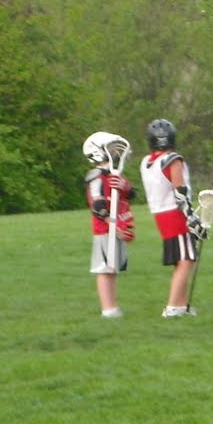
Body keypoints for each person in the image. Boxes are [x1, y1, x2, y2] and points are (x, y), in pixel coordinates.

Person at [139, 118, 207, 317]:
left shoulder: (147, 162)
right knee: (186, 259)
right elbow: (180, 193)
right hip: (174, 213)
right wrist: (192, 218)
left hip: (159, 214)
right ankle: (172, 306)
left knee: (180, 259)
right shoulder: (173, 160)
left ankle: (181, 305)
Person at [82, 131, 135, 318]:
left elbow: (131, 193)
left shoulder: (116, 174)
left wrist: (124, 186)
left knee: (113, 269)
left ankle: (113, 306)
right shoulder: (96, 177)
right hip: (105, 228)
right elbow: (96, 204)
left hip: (118, 225)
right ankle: (108, 308)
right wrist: (111, 223)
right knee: (105, 269)